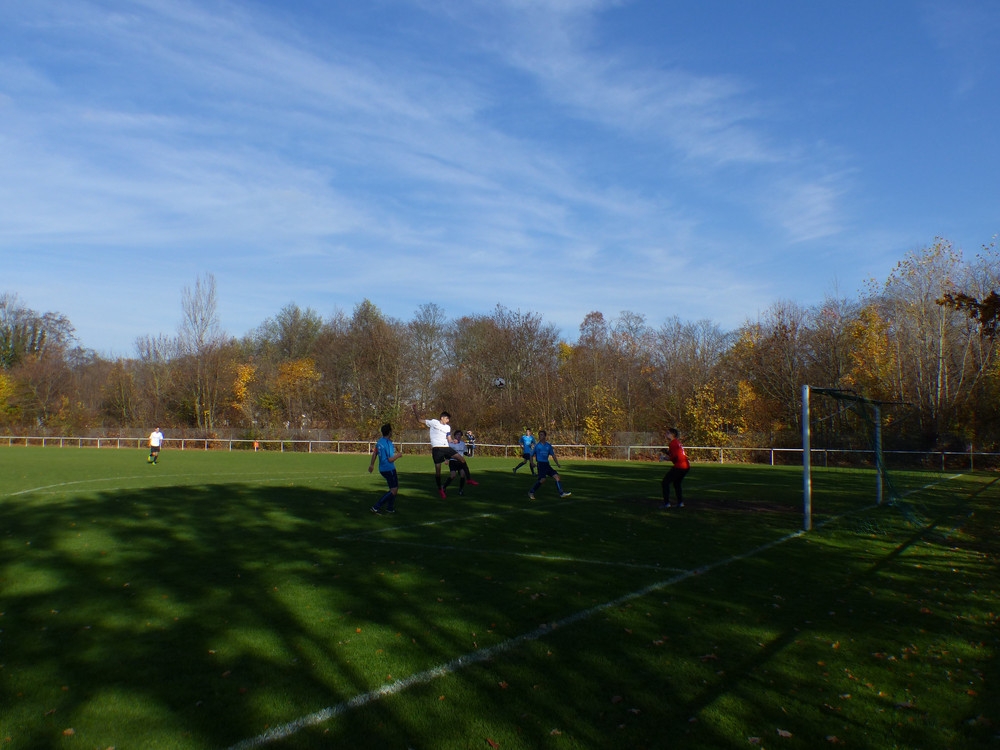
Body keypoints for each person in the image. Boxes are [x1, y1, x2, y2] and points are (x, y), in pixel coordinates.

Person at [414, 408, 469, 498]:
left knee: (461, 459)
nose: (448, 420)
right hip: (436, 449)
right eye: (447, 418)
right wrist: (415, 410)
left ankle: (469, 479)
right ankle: (440, 489)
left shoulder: (447, 427)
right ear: (442, 418)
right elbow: (419, 420)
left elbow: (449, 438)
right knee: (438, 472)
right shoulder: (434, 422)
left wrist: (453, 441)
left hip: (446, 447)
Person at [368, 423, 402, 513]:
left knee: (394, 488)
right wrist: (398, 455)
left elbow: (375, 453)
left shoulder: (379, 442)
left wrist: (372, 465)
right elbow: (390, 459)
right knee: (394, 490)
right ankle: (376, 507)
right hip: (389, 468)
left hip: (382, 469)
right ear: (390, 432)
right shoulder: (388, 443)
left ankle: (390, 508)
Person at [527, 430, 571, 500]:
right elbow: (531, 455)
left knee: (557, 477)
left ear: (545, 436)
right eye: (539, 435)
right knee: (543, 480)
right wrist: (532, 463)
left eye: (541, 435)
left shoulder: (548, 446)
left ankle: (561, 493)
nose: (540, 436)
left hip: (547, 465)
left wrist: (557, 463)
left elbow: (553, 455)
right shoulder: (537, 446)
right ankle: (531, 492)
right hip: (541, 464)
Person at [660, 427, 690, 509]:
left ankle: (667, 504)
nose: (666, 434)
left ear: (672, 435)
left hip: (680, 466)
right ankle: (680, 503)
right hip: (686, 466)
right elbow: (676, 455)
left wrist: (664, 458)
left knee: (665, 482)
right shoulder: (677, 443)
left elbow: (674, 458)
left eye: (668, 433)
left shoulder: (673, 443)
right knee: (676, 483)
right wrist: (667, 453)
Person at [442, 426, 478, 495]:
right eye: (457, 434)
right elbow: (447, 453)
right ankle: (444, 486)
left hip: (461, 462)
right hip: (453, 461)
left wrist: (468, 454)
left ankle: (461, 490)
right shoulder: (450, 444)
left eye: (460, 435)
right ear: (454, 435)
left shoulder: (462, 443)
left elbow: (464, 452)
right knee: (453, 476)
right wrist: (446, 459)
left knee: (462, 474)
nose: (458, 436)